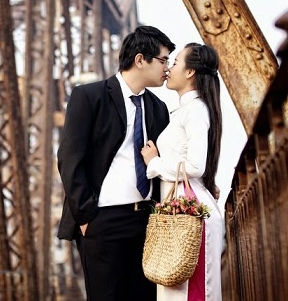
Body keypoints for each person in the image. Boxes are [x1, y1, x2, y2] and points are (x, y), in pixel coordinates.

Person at [57, 25, 175, 301]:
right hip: (102, 220)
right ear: (140, 60)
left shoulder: (158, 108)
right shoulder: (89, 96)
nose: (167, 68)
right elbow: (69, 158)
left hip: (146, 222)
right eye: (163, 60)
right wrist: (86, 217)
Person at [140, 43, 226, 301]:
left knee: (191, 295)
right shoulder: (188, 110)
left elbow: (196, 166)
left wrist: (154, 163)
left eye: (175, 62)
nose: (169, 68)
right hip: (181, 212)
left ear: (190, 73)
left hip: (190, 216)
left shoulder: (196, 110)